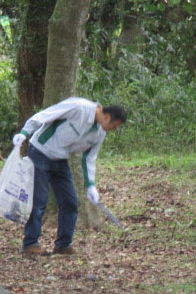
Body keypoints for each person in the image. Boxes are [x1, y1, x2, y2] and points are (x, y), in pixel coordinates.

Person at [12, 97, 126, 256]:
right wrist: (24, 133)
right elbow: (46, 115)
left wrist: (91, 185)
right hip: (40, 152)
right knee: (39, 201)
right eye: (114, 126)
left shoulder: (99, 133)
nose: (113, 129)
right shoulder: (79, 107)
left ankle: (63, 244)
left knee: (70, 202)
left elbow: (89, 158)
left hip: (60, 160)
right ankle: (30, 243)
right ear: (107, 117)